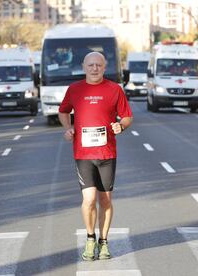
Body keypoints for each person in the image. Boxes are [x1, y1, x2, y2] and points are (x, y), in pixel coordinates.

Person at [58, 52, 133, 261]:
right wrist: (68, 128)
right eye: (90, 65)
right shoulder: (75, 90)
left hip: (107, 153)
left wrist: (121, 125)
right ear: (84, 66)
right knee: (89, 200)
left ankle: (104, 241)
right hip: (83, 153)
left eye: (98, 65)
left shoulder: (114, 89)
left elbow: (127, 116)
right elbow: (63, 111)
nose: (94, 68)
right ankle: (90, 238)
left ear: (104, 66)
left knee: (105, 199)